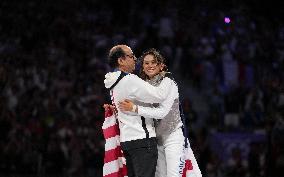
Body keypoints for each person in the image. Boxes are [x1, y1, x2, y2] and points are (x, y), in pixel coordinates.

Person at [118, 48, 202, 177]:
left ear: (160, 65)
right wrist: (115, 107)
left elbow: (162, 113)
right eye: (146, 63)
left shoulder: (169, 82)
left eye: (153, 62)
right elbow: (128, 101)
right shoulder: (142, 85)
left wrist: (135, 108)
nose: (150, 65)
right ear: (143, 66)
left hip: (172, 137)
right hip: (155, 140)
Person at [103, 44, 175, 177]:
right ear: (121, 60)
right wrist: (167, 77)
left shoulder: (113, 83)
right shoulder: (129, 80)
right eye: (131, 56)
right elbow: (158, 95)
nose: (135, 59)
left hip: (128, 142)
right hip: (142, 141)